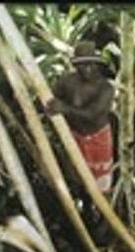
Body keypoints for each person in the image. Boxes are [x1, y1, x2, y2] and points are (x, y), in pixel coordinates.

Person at [45, 41, 115, 195]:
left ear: (97, 65)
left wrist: (65, 109)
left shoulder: (106, 88)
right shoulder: (67, 82)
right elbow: (49, 100)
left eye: (90, 64)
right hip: (75, 137)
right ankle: (81, 204)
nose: (87, 69)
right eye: (82, 65)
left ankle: (101, 211)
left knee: (100, 185)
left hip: (98, 138)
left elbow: (93, 114)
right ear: (76, 66)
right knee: (76, 176)